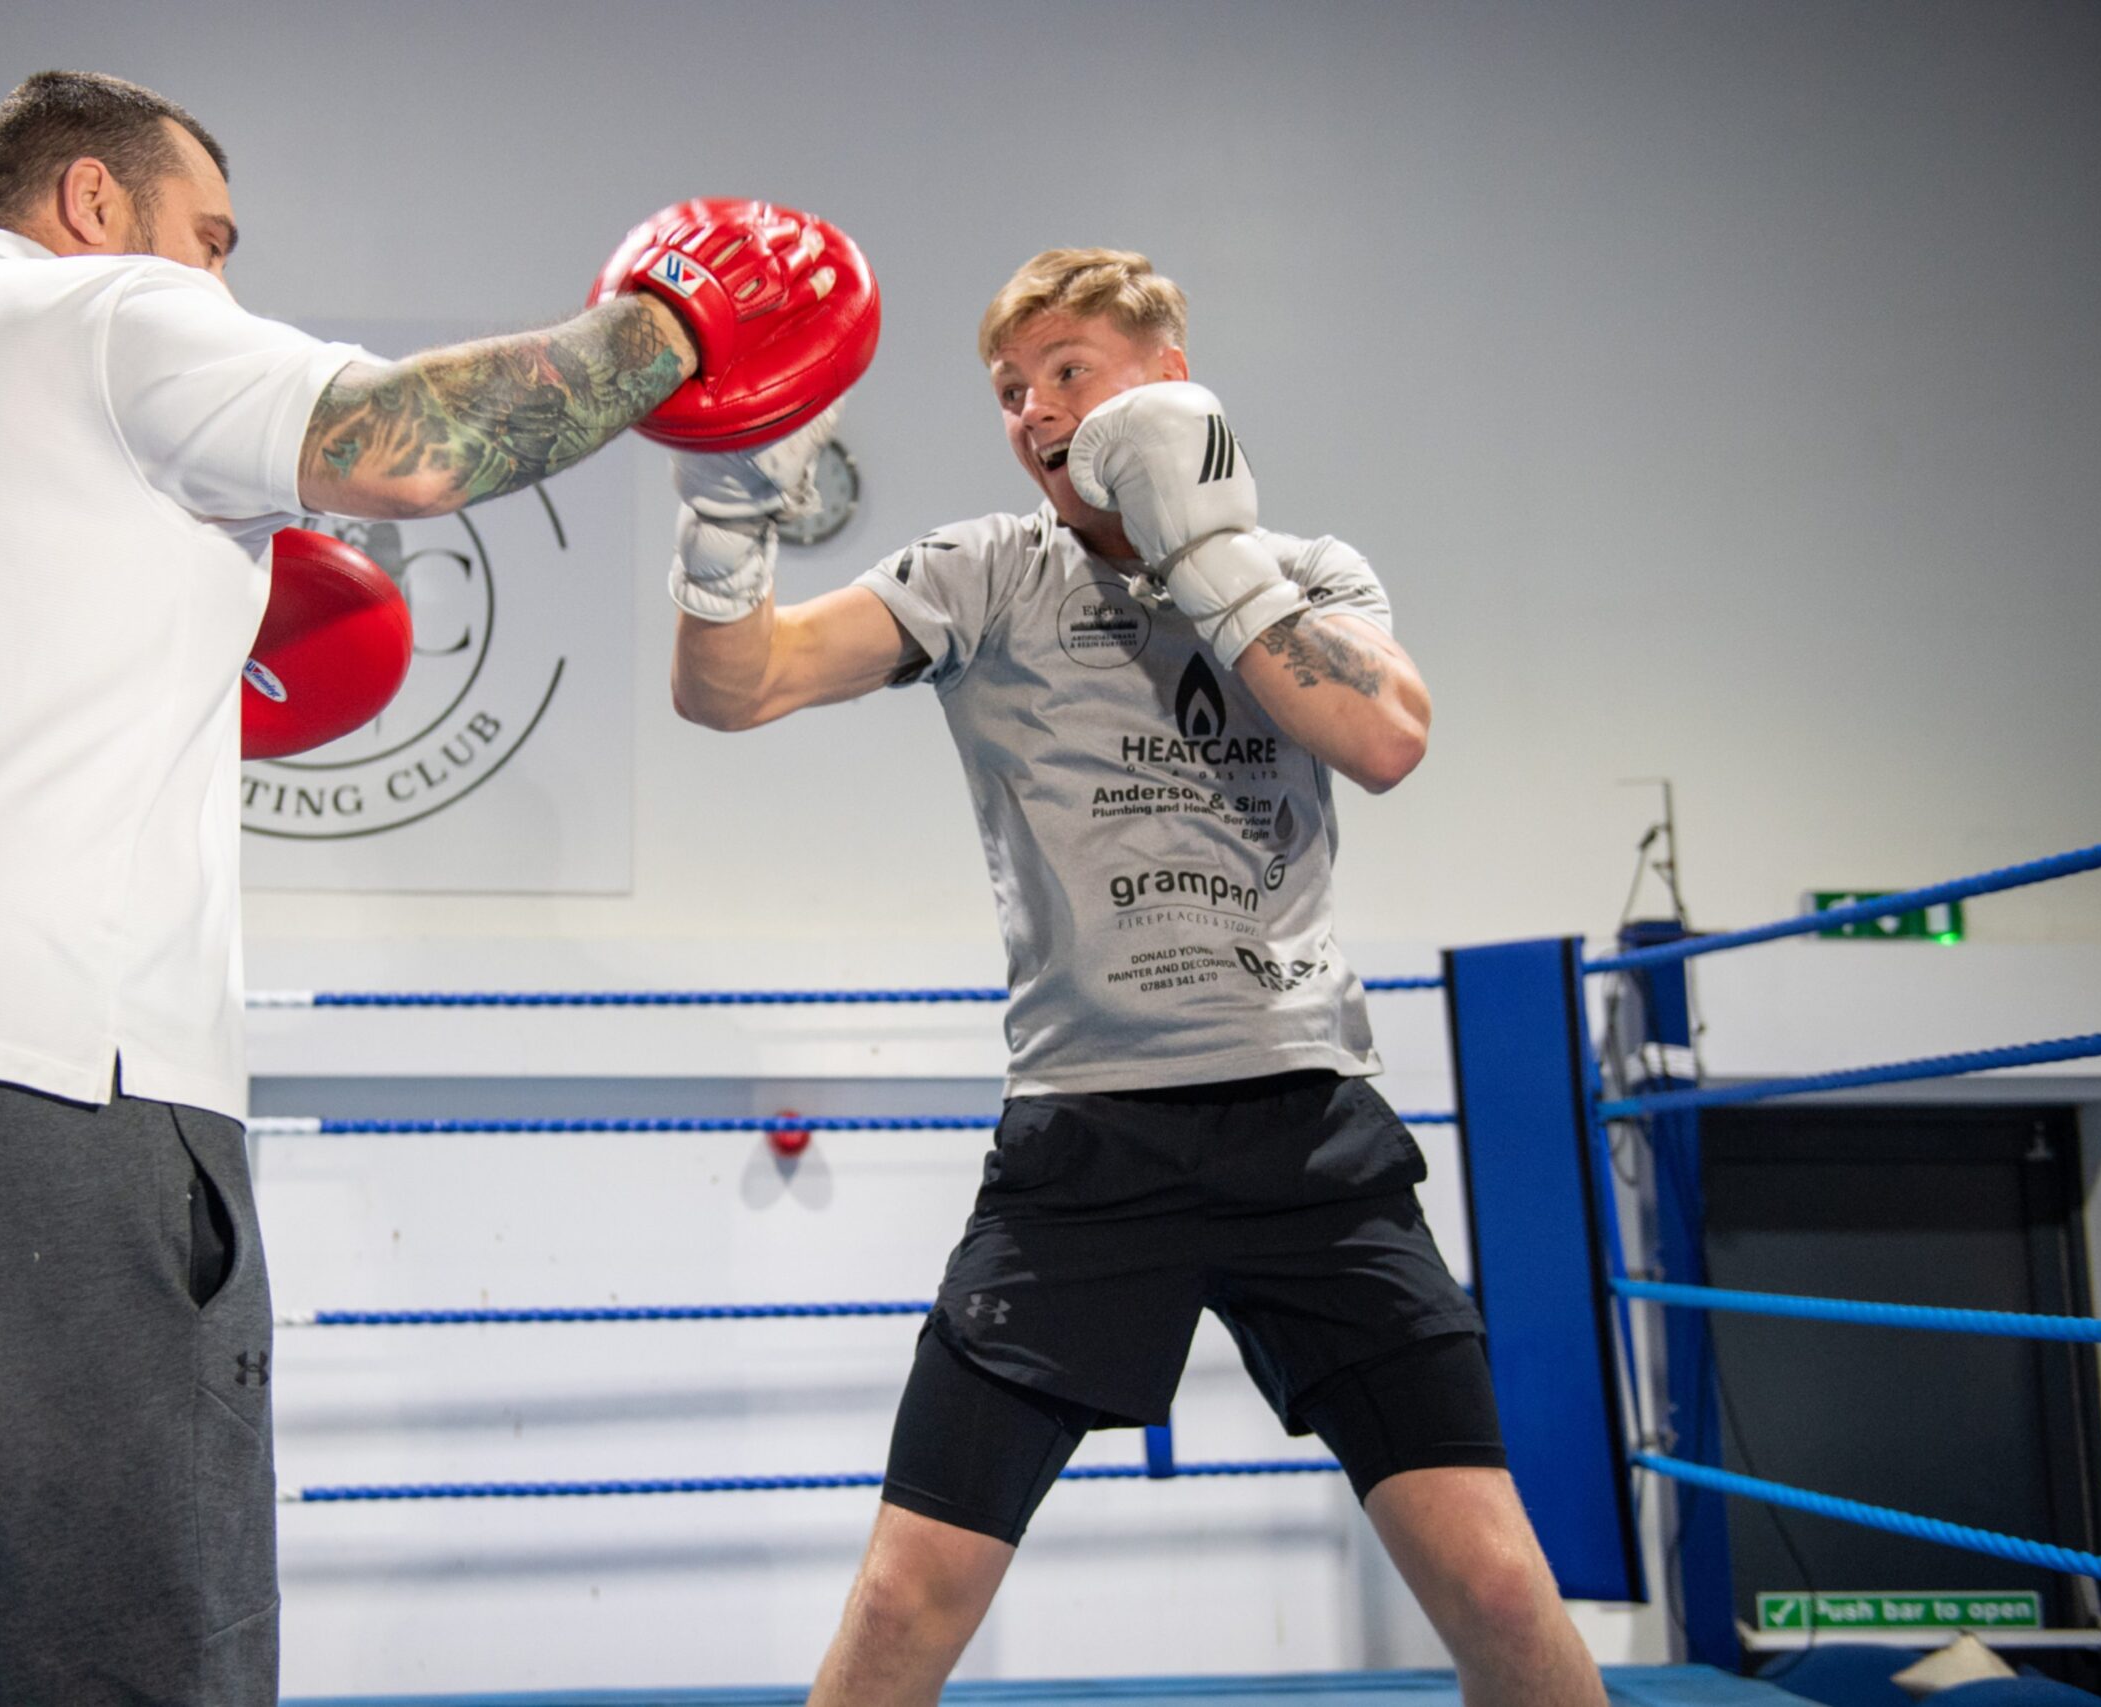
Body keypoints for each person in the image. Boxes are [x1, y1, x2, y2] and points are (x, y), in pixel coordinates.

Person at [0, 69, 801, 1707]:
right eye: (207, 238)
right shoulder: (104, 318)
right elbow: (420, 444)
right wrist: (681, 324)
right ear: (94, 202)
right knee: (143, 1668)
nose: (216, 282)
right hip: (8, 1082)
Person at [668, 249, 1608, 1707]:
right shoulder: (983, 572)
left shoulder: (1312, 572)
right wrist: (727, 516)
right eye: (1009, 390)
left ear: (1169, 382)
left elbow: (1389, 739)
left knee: (1494, 1579)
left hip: (1308, 1130)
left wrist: (1200, 538)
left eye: (1069, 374)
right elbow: (739, 688)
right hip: (1090, 1139)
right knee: (909, 1595)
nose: (1036, 411)